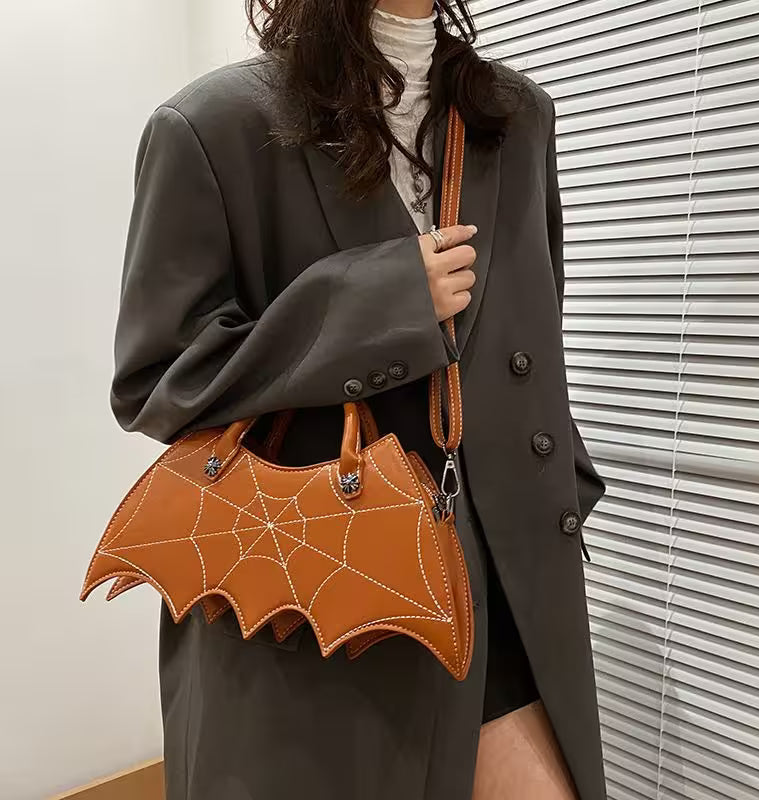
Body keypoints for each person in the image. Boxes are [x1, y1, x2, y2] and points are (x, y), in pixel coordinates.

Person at [110, 1, 607, 798]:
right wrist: (374, 303)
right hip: (325, 596)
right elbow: (158, 380)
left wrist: (564, 482)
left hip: (509, 588)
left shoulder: (517, 117)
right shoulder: (212, 127)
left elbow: (533, 327)